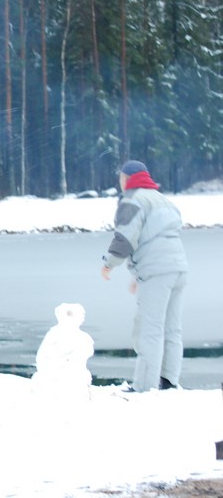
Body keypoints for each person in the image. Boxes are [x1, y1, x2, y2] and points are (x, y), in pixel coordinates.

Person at [101, 160, 188, 392]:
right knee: (172, 328)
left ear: (128, 178)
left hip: (156, 271)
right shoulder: (164, 200)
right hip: (178, 269)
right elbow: (157, 239)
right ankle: (168, 381)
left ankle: (144, 387)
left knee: (149, 329)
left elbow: (126, 238)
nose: (119, 182)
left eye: (121, 177)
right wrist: (137, 277)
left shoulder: (132, 199)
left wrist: (109, 264)